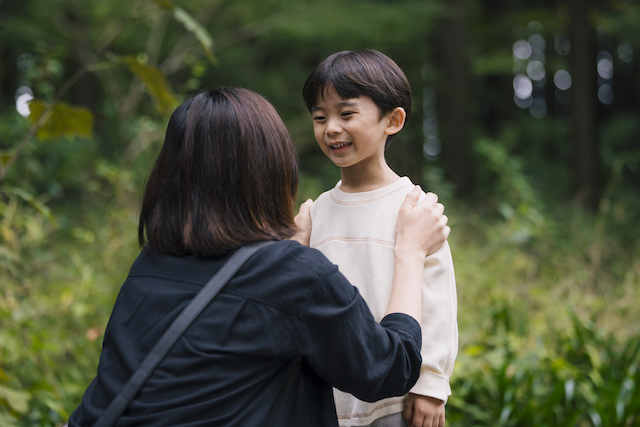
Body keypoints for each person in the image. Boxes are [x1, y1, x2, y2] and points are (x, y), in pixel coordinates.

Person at [67, 87, 450, 427]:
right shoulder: (293, 274)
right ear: (268, 167)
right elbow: (388, 370)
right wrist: (411, 251)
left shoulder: (150, 265)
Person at [302, 50, 458, 427]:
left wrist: (431, 385)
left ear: (393, 119)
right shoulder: (317, 212)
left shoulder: (413, 207)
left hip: (394, 400)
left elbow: (437, 299)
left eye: (346, 113)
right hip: (327, 398)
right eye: (320, 118)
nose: (331, 128)